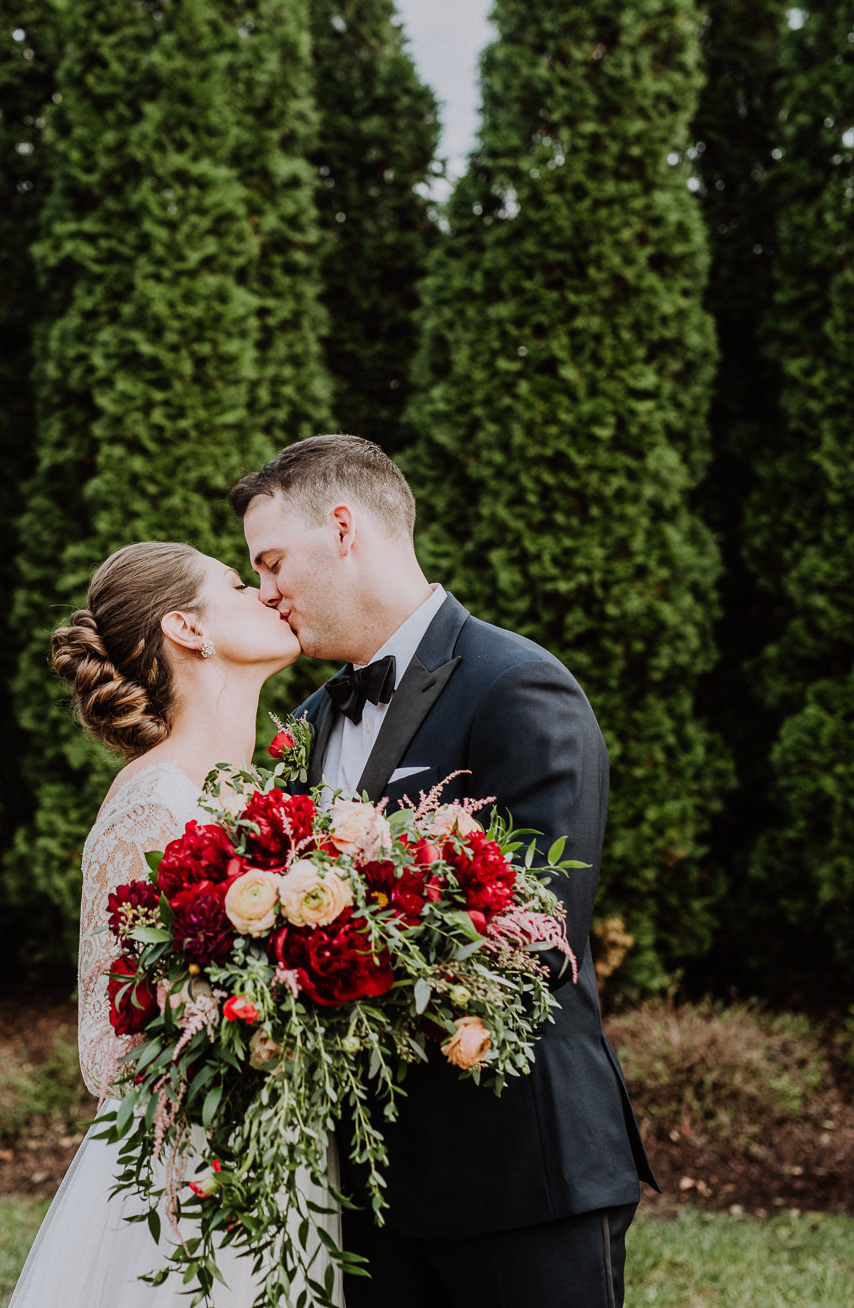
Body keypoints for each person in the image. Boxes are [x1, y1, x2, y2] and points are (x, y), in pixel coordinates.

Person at [231, 434, 657, 1308]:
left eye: (273, 563)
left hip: (519, 1175)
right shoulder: (307, 721)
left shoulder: (517, 686)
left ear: (344, 528)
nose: (266, 593)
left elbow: (535, 934)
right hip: (368, 1186)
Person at [7, 540, 343, 1307]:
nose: (265, 592)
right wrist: (238, 1042)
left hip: (290, 1151)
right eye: (237, 583)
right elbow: (104, 1043)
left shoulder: (262, 795)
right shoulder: (153, 803)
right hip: (196, 1181)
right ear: (188, 629)